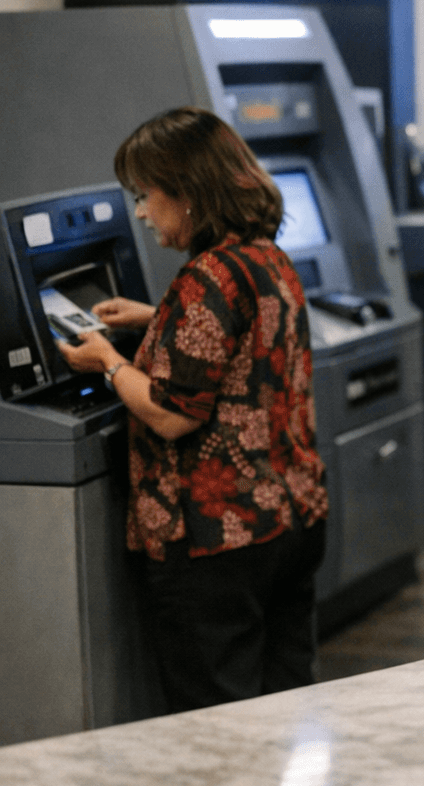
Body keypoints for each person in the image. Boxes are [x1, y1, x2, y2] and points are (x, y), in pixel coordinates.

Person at [56, 106, 327, 712]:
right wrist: (158, 321)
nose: (143, 211)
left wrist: (106, 360)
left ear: (191, 195)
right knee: (283, 703)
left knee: (218, 718)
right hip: (290, 518)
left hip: (217, 539)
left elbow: (172, 412)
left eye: (147, 195)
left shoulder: (204, 278)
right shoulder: (265, 258)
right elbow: (245, 343)